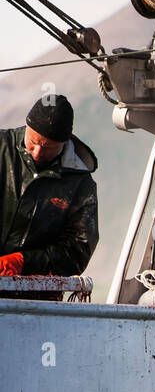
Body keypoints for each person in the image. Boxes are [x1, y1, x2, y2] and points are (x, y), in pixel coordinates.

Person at [0, 94, 99, 279]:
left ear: (63, 143)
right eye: (33, 142)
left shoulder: (80, 183)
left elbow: (78, 250)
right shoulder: (2, 148)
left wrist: (24, 262)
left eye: (47, 147)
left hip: (33, 294)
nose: (37, 152)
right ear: (27, 127)